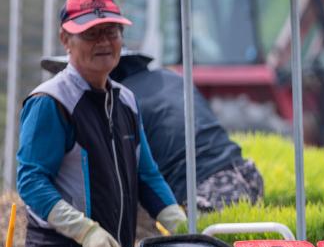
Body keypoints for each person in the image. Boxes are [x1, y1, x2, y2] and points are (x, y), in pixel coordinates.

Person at [17, 0, 186, 247]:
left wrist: (179, 223)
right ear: (65, 39)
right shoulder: (52, 102)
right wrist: (85, 231)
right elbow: (31, 181)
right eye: (91, 33)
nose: (104, 42)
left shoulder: (125, 101)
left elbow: (146, 173)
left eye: (111, 32)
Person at [42, 52, 264, 212]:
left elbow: (110, 182)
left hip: (207, 195)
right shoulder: (172, 77)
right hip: (246, 176)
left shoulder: (121, 101)